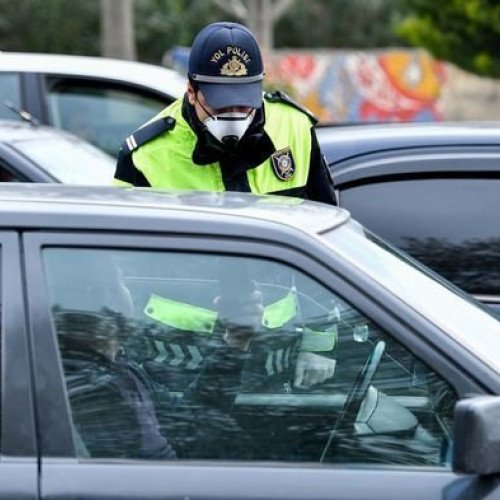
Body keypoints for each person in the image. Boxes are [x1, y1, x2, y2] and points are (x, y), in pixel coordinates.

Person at [114, 21, 337, 388]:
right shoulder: (147, 154)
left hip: (276, 347)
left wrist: (320, 343)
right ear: (191, 91)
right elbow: (117, 265)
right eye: (220, 104)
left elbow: (327, 243)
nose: (234, 115)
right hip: (176, 354)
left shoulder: (294, 129)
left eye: (244, 103)